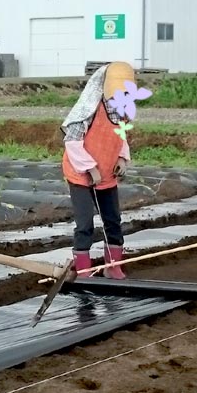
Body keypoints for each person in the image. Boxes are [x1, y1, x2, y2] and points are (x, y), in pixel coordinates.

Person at [60, 61, 136, 280]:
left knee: (112, 221)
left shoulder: (121, 111)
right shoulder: (89, 110)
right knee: (85, 223)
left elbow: (121, 138)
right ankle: (83, 269)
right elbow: (72, 143)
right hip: (81, 174)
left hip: (107, 175)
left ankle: (113, 266)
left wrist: (122, 159)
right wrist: (91, 168)